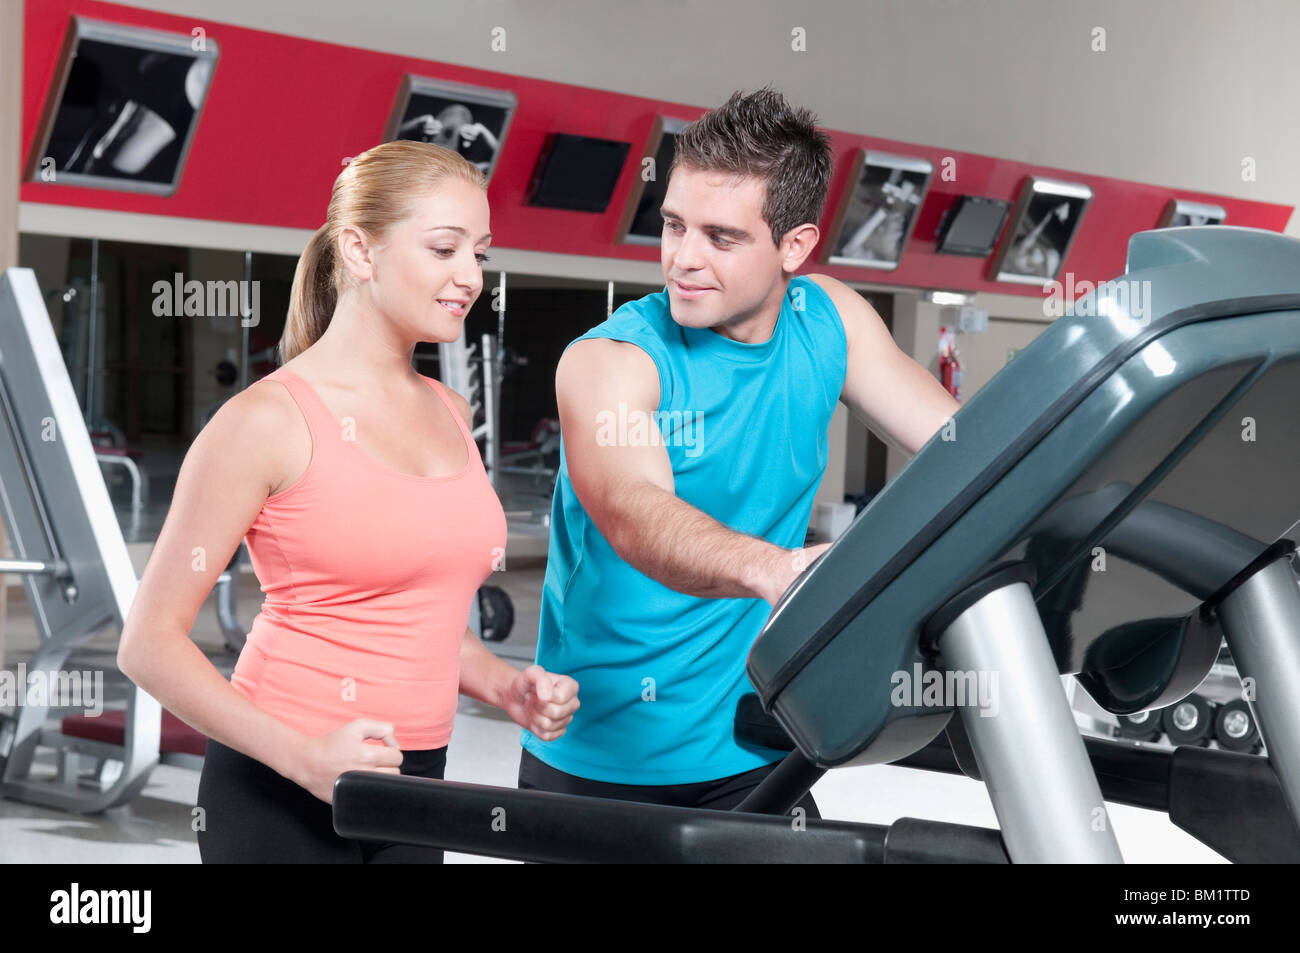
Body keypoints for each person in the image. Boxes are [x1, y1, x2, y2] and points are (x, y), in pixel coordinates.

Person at [117, 140, 579, 863]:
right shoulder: (265, 420)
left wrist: (504, 684)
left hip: (415, 780)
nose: (469, 277)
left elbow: (417, 612)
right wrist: (303, 756)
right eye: (444, 249)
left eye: (480, 255)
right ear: (360, 250)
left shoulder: (452, 411)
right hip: (281, 779)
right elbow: (148, 642)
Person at [517, 88, 960, 815]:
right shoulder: (614, 360)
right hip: (604, 768)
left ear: (794, 246)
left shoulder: (829, 322)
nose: (683, 260)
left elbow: (965, 449)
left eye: (721, 237)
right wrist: (776, 569)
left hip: (756, 751)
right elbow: (635, 512)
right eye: (673, 225)